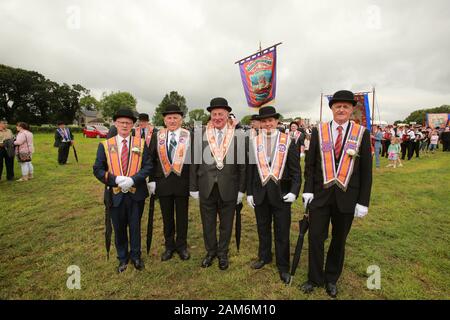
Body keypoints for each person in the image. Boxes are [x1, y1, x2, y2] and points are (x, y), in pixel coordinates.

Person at [301, 90, 372, 298]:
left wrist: (363, 201)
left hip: (347, 198)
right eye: (337, 106)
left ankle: (331, 278)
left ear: (351, 110)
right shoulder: (318, 131)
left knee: (339, 240)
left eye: (346, 106)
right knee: (315, 237)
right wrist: (307, 190)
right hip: (320, 197)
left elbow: (366, 171)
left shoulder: (361, 133)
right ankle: (314, 278)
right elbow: (311, 165)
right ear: (332, 109)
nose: (341, 109)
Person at [246, 106, 301, 285]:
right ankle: (264, 257)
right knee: (262, 228)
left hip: (282, 194)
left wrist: (294, 191)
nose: (267, 123)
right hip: (260, 193)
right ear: (260, 124)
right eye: (264, 121)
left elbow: (296, 171)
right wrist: (249, 193)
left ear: (276, 122)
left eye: (271, 120)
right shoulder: (254, 142)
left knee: (282, 231)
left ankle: (283, 266)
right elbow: (250, 170)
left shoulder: (288, 141)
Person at [93, 109, 152, 273]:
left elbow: (148, 166)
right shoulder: (105, 145)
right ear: (115, 124)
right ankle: (122, 257)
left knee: (135, 226)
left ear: (133, 125)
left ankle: (136, 256)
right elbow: (97, 169)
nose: (125, 125)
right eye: (121, 122)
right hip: (115, 194)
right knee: (118, 228)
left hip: (136, 192)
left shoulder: (140, 144)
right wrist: (116, 180)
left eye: (128, 122)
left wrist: (134, 179)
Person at [189, 97, 246, 270]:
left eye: (221, 114)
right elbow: (193, 162)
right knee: (208, 223)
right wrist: (193, 187)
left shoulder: (238, 134)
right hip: (206, 186)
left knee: (226, 223)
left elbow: (243, 165)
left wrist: (241, 190)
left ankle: (222, 253)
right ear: (210, 115)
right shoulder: (200, 133)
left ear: (228, 114)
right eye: (214, 114)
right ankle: (210, 252)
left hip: (229, 186)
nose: (217, 117)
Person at [148, 105, 191, 261]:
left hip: (182, 182)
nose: (172, 120)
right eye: (169, 118)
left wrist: (193, 184)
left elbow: (193, 162)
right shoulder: (157, 136)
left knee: (182, 217)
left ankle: (181, 246)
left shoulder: (188, 135)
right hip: (163, 182)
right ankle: (169, 246)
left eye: (175, 117)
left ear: (181, 119)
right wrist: (151, 180)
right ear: (164, 120)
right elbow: (150, 159)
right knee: (166, 217)